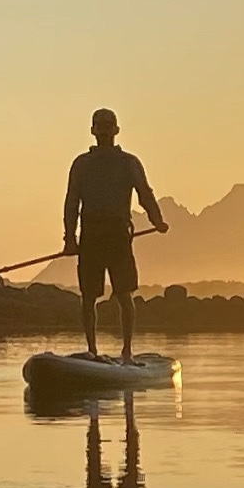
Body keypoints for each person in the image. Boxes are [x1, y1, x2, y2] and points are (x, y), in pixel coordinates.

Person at [64, 108, 168, 363]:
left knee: (123, 294)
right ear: (93, 130)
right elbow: (72, 202)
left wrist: (157, 220)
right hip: (91, 236)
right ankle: (92, 350)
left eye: (107, 125)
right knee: (89, 296)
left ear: (115, 130)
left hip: (118, 237)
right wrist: (69, 238)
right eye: (100, 125)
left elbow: (145, 194)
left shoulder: (128, 162)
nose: (103, 130)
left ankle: (127, 352)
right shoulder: (82, 164)